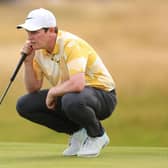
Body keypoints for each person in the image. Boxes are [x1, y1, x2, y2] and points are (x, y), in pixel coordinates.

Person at [16, 8, 117, 157]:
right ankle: (78, 133)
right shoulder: (39, 52)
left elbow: (78, 84)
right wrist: (28, 63)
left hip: (102, 96)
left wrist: (52, 92)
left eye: (34, 32)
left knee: (71, 99)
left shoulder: (70, 44)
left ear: (51, 30)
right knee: (25, 104)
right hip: (71, 95)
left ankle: (97, 135)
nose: (30, 37)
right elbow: (33, 88)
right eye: (28, 33)